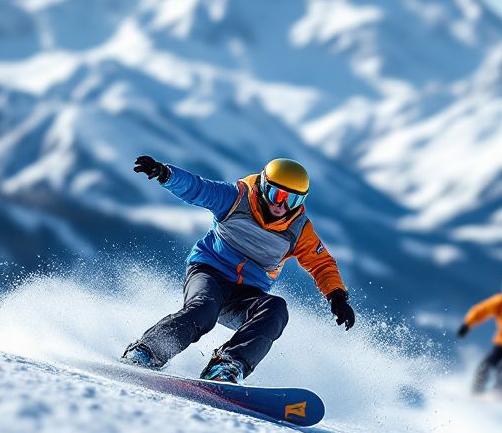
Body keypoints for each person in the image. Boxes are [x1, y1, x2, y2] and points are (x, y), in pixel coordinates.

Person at [121, 155, 356, 383]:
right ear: (264, 186)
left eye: (292, 200)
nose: (282, 205)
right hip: (209, 272)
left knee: (276, 309)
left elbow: (321, 264)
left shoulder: (299, 229)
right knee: (204, 309)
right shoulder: (236, 198)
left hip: (246, 294)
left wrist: (337, 296)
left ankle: (226, 364)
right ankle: (148, 350)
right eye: (277, 194)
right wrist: (166, 174)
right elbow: (198, 189)